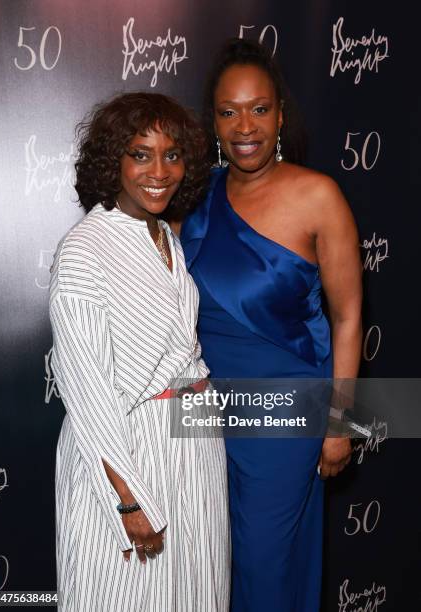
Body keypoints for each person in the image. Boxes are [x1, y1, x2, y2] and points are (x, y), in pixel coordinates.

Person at [180, 39, 362, 612]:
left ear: (280, 113)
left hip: (285, 416)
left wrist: (339, 422)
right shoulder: (194, 195)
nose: (244, 126)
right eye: (228, 111)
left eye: (258, 109)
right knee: (215, 568)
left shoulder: (318, 196)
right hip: (206, 417)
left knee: (262, 569)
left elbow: (349, 316)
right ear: (211, 120)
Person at [49, 92, 230, 612]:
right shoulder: (85, 248)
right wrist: (128, 501)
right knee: (126, 596)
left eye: (172, 155)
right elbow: (87, 390)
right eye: (141, 153)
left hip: (192, 442)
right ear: (114, 160)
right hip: (132, 451)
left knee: (196, 589)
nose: (159, 170)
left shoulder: (165, 238)